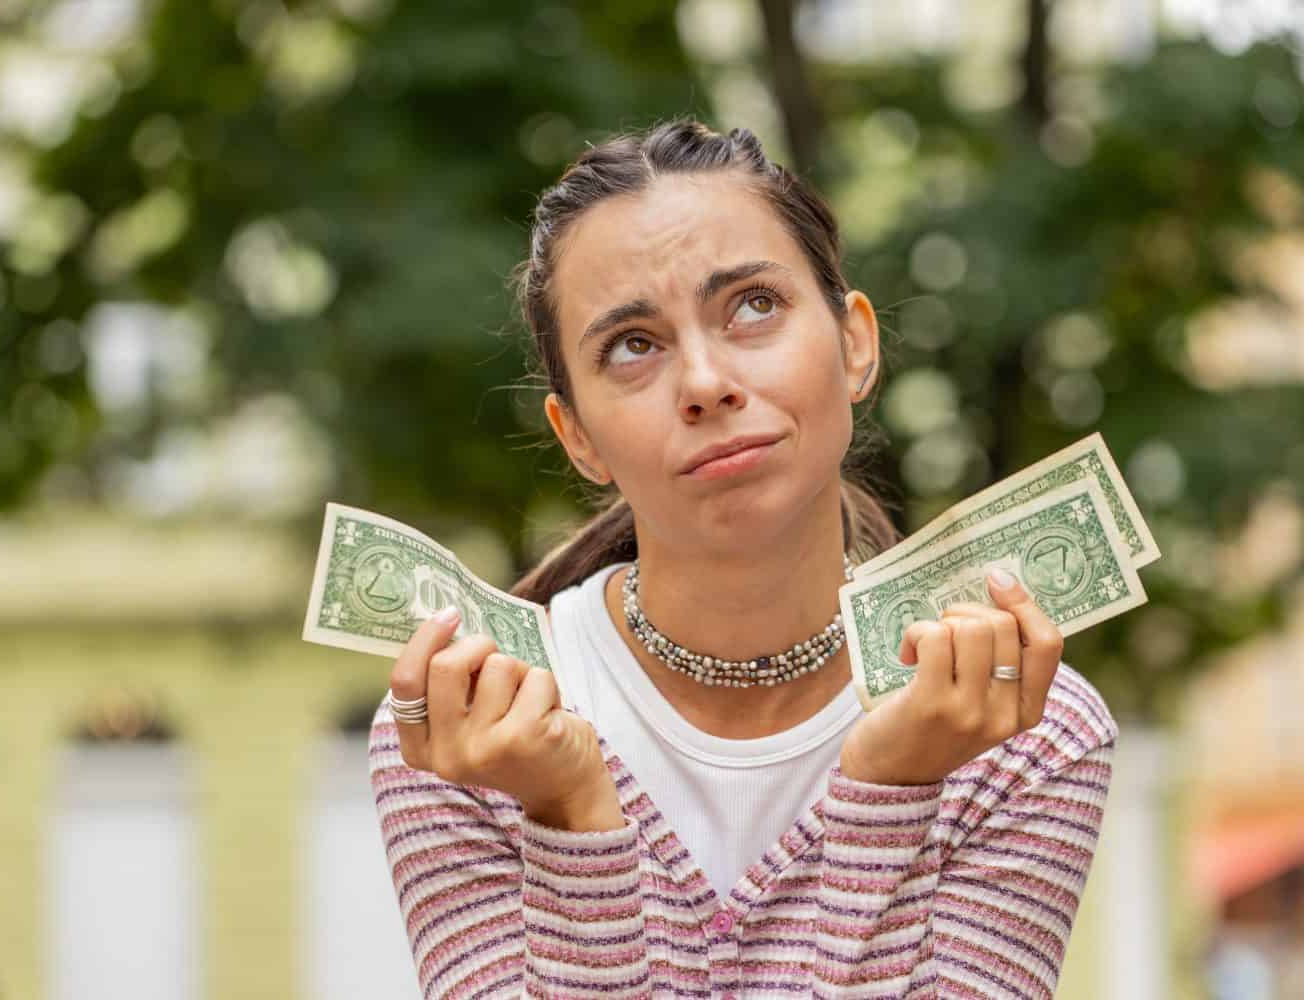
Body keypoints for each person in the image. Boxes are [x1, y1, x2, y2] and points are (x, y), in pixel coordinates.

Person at [368, 116, 1119, 998]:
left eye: (753, 306)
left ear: (855, 345)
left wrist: (892, 787)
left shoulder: (1021, 730)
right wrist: (568, 815)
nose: (704, 383)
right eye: (632, 346)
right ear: (579, 439)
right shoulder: (464, 735)